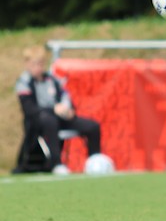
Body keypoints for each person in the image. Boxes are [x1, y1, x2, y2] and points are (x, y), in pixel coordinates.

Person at [14, 45, 102, 174]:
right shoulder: (24, 83)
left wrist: (68, 109)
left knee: (92, 126)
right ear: (27, 64)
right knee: (49, 121)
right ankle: (56, 163)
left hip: (59, 117)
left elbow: (65, 95)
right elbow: (30, 109)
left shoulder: (52, 79)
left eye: (40, 64)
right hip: (38, 122)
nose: (38, 68)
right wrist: (53, 109)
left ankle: (95, 161)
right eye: (34, 64)